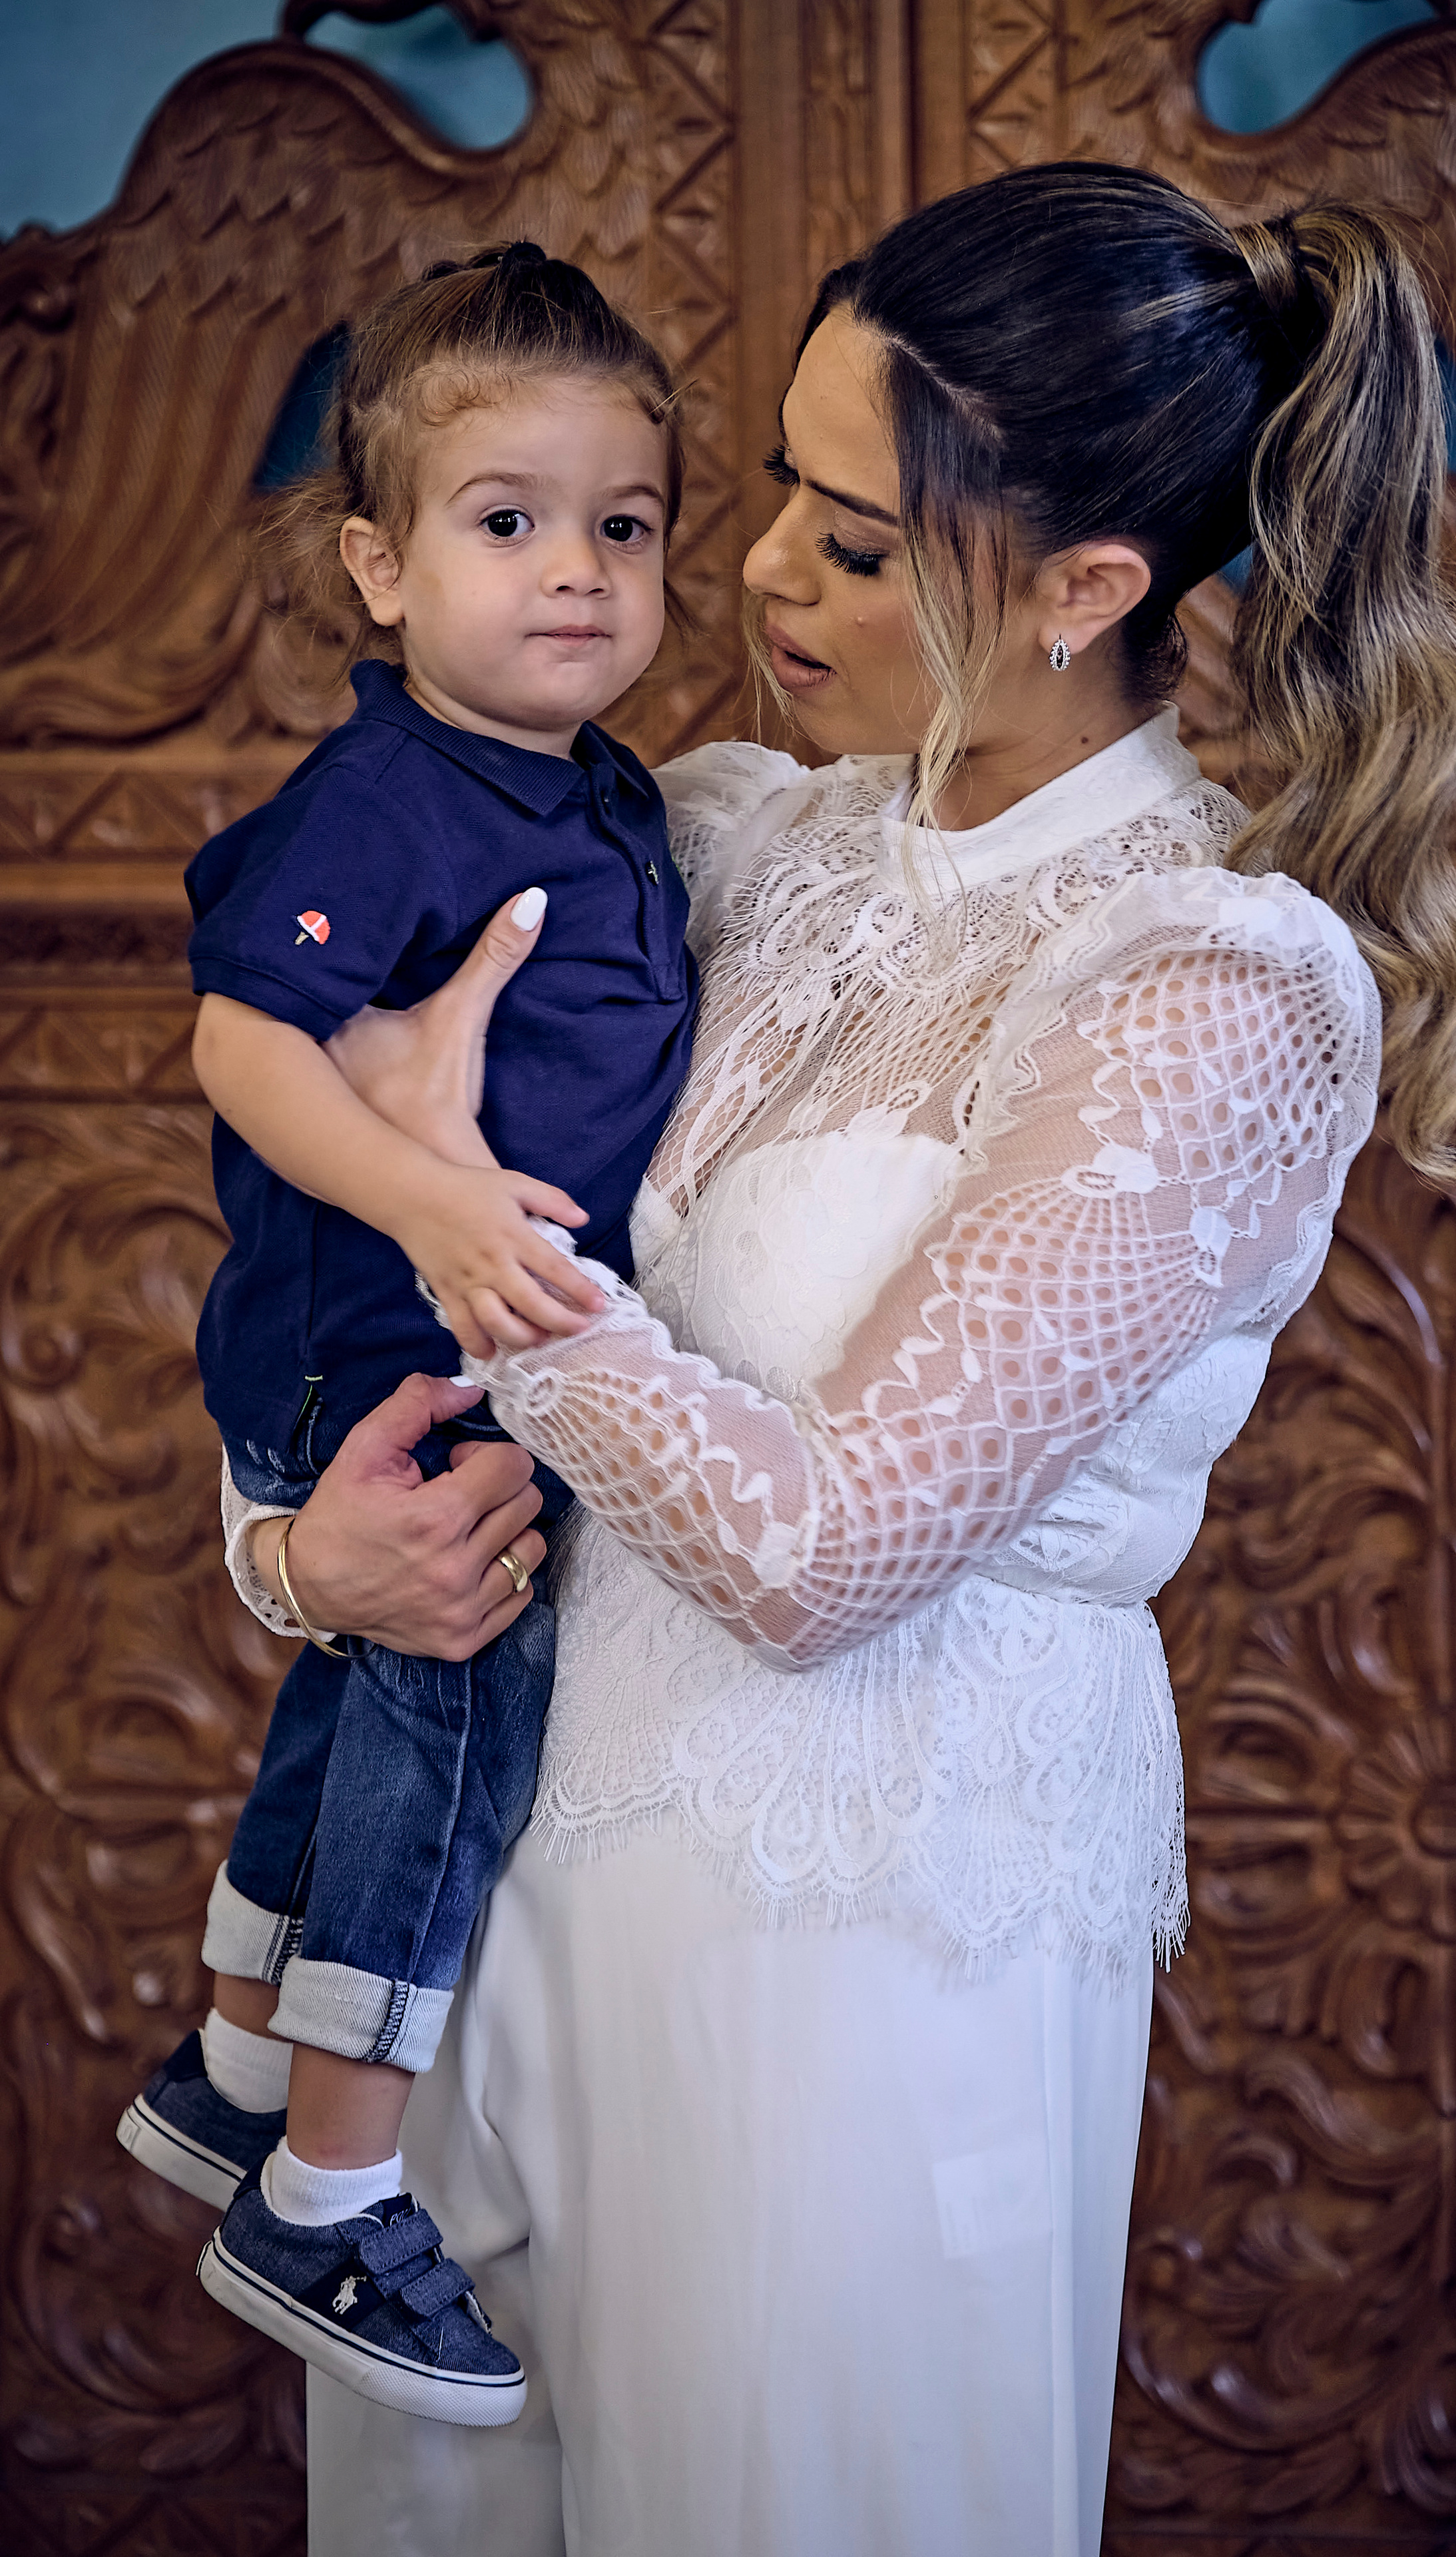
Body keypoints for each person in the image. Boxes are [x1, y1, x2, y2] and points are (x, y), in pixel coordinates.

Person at [216, 164, 1456, 2553]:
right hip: (477, 1893)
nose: (763, 580)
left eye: (855, 535)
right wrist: (305, 1555)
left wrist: (474, 1227)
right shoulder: (703, 837)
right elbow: (329, 1259)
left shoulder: (1209, 987)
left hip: (858, 1941)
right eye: (770, 500)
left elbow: (830, 1554)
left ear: (1090, 588)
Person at [115, 243, 699, 2425]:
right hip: (373, 1345)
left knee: (364, 1711)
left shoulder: (604, 788)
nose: (577, 575)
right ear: (377, 564)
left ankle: (238, 2060)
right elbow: (245, 1046)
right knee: (449, 1710)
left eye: (623, 529)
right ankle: (331, 2199)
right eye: (507, 521)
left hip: (441, 1341)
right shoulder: (391, 795)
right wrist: (442, 1199)